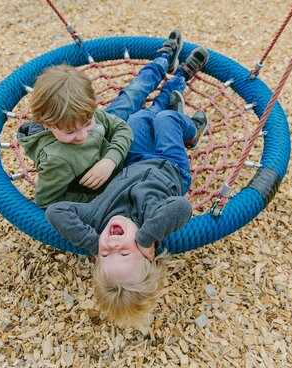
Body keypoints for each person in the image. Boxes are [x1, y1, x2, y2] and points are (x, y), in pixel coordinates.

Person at [45, 38, 210, 328]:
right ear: (147, 253)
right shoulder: (152, 222)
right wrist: (146, 237)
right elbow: (181, 206)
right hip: (171, 166)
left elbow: (54, 212)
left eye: (105, 253)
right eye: (125, 251)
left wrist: (91, 242)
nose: (113, 242)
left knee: (139, 118)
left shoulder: (95, 217)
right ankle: (190, 124)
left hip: (134, 160)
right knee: (167, 119)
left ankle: (175, 86)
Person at [17, 29, 185, 208]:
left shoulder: (82, 116)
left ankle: (163, 61)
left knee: (131, 95)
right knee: (148, 117)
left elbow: (120, 128)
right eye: (70, 132)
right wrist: (99, 199)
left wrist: (109, 159)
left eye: (87, 123)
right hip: (123, 173)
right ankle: (179, 81)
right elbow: (47, 201)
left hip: (108, 141)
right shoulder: (57, 160)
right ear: (47, 125)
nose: (81, 136)